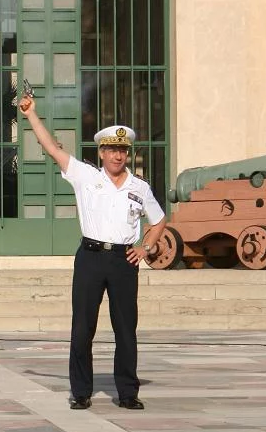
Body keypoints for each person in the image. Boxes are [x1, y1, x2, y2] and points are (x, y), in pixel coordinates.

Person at [19, 95, 167, 411]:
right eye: (112, 150)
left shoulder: (139, 187)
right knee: (83, 326)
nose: (118, 155)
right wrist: (32, 115)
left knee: (126, 328)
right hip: (90, 258)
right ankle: (81, 391)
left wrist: (146, 247)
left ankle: (128, 392)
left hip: (123, 260)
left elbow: (159, 221)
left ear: (129, 154)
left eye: (123, 150)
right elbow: (53, 149)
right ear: (101, 152)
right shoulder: (86, 176)